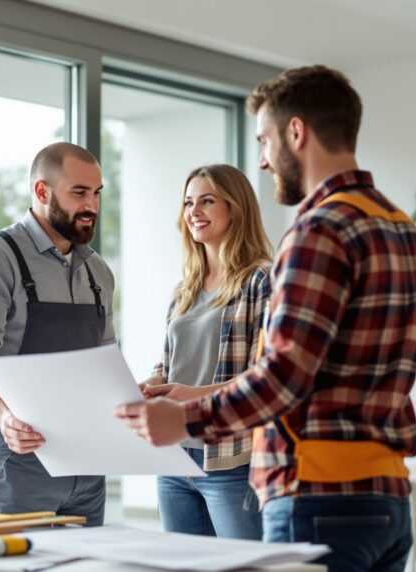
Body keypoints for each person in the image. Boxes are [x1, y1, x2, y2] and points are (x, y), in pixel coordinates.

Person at [116, 65, 416, 572]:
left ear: (296, 132)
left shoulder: (320, 229)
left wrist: (186, 418)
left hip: (317, 495)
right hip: (386, 499)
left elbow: (285, 375)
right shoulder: (402, 228)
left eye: (264, 139)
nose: (263, 160)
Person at [0, 142, 116, 525]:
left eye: (96, 193)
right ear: (42, 192)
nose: (92, 205)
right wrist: (6, 417)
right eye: (79, 192)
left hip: (88, 468)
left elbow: (105, 364)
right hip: (17, 466)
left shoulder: (99, 272)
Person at [139, 164, 271, 539]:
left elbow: (268, 375)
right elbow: (167, 364)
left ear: (235, 208)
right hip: (173, 459)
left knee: (245, 569)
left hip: (230, 459)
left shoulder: (260, 281)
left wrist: (193, 396)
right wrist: (146, 386)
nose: (194, 212)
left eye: (207, 201)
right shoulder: (185, 288)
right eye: (188, 203)